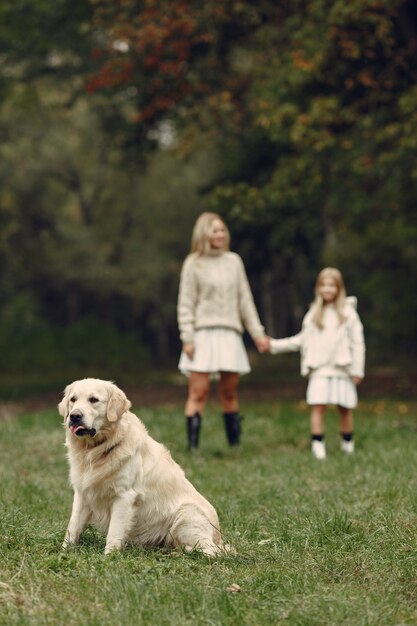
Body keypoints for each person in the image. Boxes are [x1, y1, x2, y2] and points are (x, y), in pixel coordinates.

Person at [177, 212, 269, 450]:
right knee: (199, 391)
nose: (220, 234)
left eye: (222, 230)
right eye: (215, 230)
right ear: (203, 233)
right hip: (202, 334)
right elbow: (186, 302)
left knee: (229, 392)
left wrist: (257, 334)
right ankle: (193, 447)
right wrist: (187, 336)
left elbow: (245, 300)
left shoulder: (233, 261)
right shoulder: (193, 263)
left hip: (230, 333)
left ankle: (234, 444)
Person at [268, 267, 365, 459]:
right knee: (317, 406)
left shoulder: (348, 313)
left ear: (339, 288)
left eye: (332, 285)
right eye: (324, 285)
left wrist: (357, 370)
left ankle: (348, 445)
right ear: (318, 288)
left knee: (344, 408)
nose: (328, 289)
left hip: (342, 368)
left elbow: (358, 343)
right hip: (319, 369)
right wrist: (272, 345)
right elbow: (300, 340)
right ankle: (318, 446)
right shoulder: (313, 314)